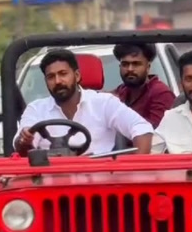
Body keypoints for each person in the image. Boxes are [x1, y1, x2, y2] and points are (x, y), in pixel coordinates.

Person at [14, 49, 154, 156]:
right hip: (51, 179)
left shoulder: (104, 103)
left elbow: (141, 128)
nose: (57, 81)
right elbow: (22, 146)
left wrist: (136, 169)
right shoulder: (36, 109)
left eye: (63, 74)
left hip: (100, 179)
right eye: (51, 77)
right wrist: (25, 141)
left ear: (76, 76)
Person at [112, 42, 175, 128]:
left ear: (148, 67)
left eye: (136, 64)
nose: (130, 69)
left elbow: (153, 131)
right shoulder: (120, 91)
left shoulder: (161, 93)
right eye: (125, 64)